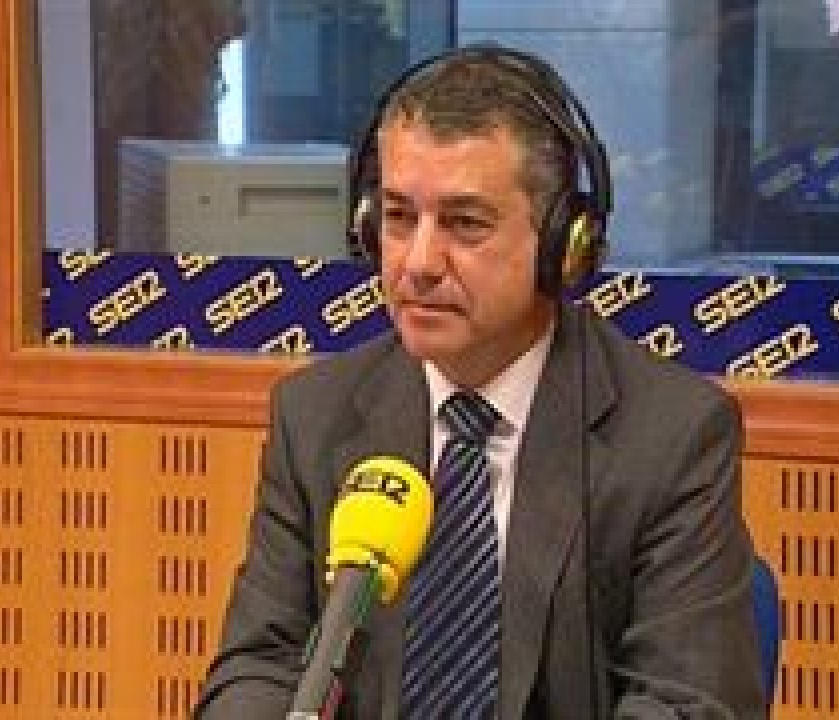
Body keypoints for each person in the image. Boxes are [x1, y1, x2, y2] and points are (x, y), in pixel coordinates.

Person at [195, 45, 764, 719]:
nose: (419, 263)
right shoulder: (315, 416)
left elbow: (688, 703)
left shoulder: (670, 436)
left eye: (464, 224)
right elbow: (258, 667)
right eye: (399, 218)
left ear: (562, 243)